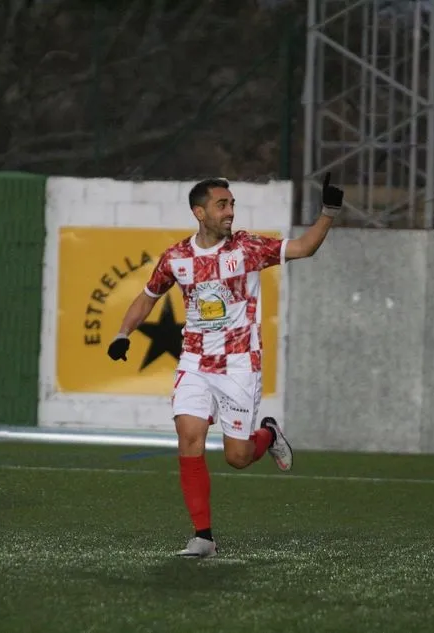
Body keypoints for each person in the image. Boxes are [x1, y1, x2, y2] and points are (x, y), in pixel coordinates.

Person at [107, 174, 344, 557]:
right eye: (222, 205)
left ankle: (267, 434)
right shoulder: (177, 258)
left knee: (237, 457)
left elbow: (304, 248)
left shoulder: (248, 247)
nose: (230, 211)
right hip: (194, 363)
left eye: (232, 204)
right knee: (189, 439)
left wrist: (328, 213)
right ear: (199, 212)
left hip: (239, 365)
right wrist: (123, 333)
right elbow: (148, 297)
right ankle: (203, 536)